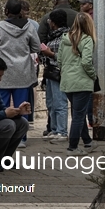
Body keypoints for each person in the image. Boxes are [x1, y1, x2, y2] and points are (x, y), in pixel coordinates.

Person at [0, 0, 40, 146]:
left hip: (3, 74)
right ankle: (21, 139)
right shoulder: (29, 26)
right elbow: (36, 47)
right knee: (22, 106)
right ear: (20, 11)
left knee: (2, 107)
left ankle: (3, 135)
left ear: (6, 11)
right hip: (23, 72)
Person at [58, 12, 98, 154]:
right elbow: (86, 62)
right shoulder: (87, 40)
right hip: (82, 82)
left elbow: (59, 61)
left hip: (67, 82)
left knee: (78, 112)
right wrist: (93, 75)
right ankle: (72, 147)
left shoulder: (65, 38)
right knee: (78, 117)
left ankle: (87, 142)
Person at [39, 10, 70, 142]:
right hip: (50, 72)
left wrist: (51, 54)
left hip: (59, 73)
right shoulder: (53, 36)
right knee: (51, 102)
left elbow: (66, 57)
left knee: (60, 102)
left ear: (54, 22)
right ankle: (54, 129)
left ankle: (62, 131)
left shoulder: (66, 36)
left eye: (50, 21)